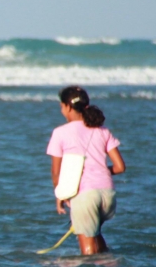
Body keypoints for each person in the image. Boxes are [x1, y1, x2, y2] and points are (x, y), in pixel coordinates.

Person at [46, 85, 126, 255]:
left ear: (68, 106)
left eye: (61, 107)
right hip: (107, 194)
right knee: (95, 234)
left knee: (87, 252)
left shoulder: (60, 133)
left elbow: (56, 173)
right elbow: (119, 167)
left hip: (85, 195)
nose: (61, 111)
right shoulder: (102, 130)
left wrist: (60, 195)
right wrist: (100, 170)